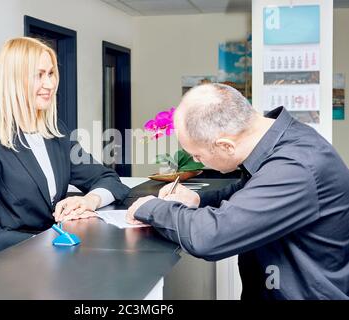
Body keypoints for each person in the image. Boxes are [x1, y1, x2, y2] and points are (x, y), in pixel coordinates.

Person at [127, 83, 349, 300]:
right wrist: (197, 199)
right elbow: (248, 192)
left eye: (197, 155)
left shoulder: (294, 166)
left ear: (226, 145)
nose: (196, 161)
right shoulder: (279, 139)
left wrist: (151, 207)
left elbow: (211, 237)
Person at [0, 37, 130, 258]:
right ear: (14, 80)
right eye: (39, 75)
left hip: (54, 263)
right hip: (5, 270)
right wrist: (52, 242)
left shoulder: (56, 133)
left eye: (51, 73)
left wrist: (88, 200)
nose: (49, 84)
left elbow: (109, 178)